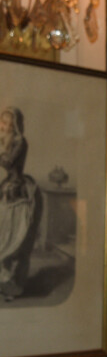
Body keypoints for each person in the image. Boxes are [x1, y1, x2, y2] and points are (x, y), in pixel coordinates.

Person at [0, 107, 40, 300]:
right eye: (2, 122)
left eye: (8, 123)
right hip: (5, 188)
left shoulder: (19, 142)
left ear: (15, 125)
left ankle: (12, 285)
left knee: (13, 239)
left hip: (17, 191)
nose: (4, 126)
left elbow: (8, 162)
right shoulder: (3, 139)